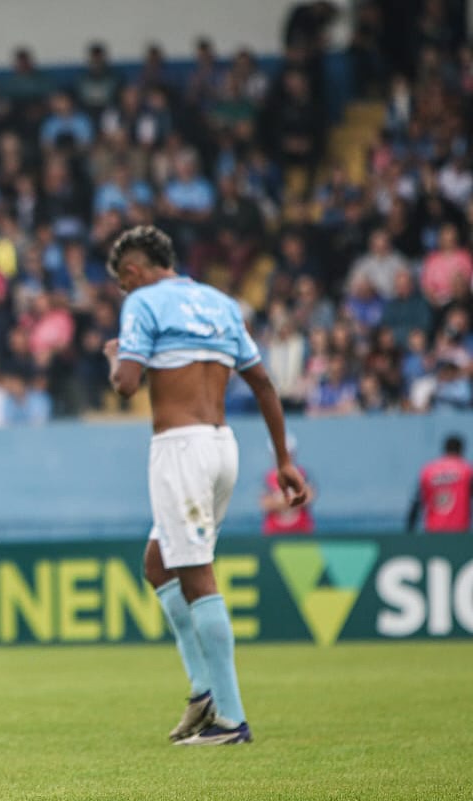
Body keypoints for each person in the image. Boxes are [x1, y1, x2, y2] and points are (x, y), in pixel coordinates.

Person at [105, 225, 308, 746]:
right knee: (159, 562)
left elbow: (127, 385)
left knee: (197, 576)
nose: (126, 293)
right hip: (223, 446)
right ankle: (203, 692)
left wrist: (115, 357)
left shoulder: (144, 302)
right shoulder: (220, 303)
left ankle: (231, 720)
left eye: (124, 284)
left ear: (132, 271)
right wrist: (283, 460)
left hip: (181, 449)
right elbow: (263, 382)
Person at [407, 434, 473, 533]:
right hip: (459, 532)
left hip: (433, 530)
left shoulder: (428, 471)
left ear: (444, 449)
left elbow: (417, 502)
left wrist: (410, 529)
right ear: (461, 450)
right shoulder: (466, 471)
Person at [260, 435, 316, 535]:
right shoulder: (267, 478)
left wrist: (281, 501)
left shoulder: (303, 475)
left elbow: (309, 497)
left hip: (301, 530)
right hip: (273, 532)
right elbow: (265, 504)